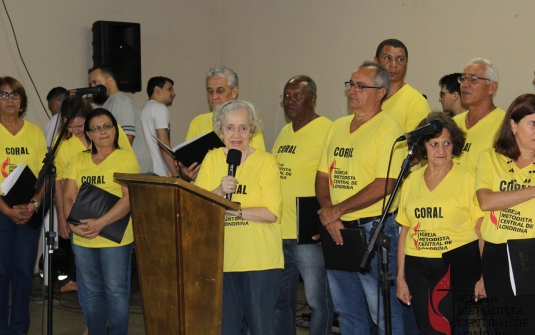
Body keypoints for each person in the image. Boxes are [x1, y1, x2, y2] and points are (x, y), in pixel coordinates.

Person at [316, 61, 405, 334]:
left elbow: (387, 183)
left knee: (383, 311)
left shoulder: (389, 129)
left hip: (374, 229)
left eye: (361, 86)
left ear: (380, 93)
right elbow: (322, 177)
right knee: (347, 309)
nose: (352, 90)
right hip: (338, 229)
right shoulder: (338, 126)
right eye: (351, 84)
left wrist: (337, 210)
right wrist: (330, 214)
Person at [195, 100, 282, 335]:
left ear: (252, 130)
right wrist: (219, 192)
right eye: (230, 127)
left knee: (262, 329)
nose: (236, 134)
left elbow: (271, 213)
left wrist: (231, 209)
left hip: (260, 262)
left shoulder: (266, 162)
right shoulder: (212, 160)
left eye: (243, 127)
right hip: (223, 260)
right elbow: (197, 207)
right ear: (220, 130)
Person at [396, 112, 483, 333]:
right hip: (417, 266)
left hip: (456, 264)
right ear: (423, 146)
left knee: (439, 327)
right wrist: (400, 277)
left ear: (455, 145)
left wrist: (484, 275)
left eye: (447, 143)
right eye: (434, 144)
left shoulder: (469, 178)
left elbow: (481, 229)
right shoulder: (411, 180)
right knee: (427, 329)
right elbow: (405, 230)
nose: (441, 150)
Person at [63, 108, 140, 335]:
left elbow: (128, 200)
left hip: (114, 240)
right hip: (83, 238)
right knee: (92, 292)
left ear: (115, 130)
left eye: (107, 126)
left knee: (116, 292)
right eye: (96, 128)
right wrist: (72, 225)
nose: (102, 132)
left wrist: (100, 223)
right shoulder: (78, 160)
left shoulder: (126, 158)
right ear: (88, 134)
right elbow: (68, 196)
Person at [272, 75, 334, 335]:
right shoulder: (285, 132)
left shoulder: (329, 130)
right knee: (280, 301)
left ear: (314, 99)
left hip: (308, 232)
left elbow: (335, 182)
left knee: (318, 300)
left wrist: (327, 222)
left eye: (297, 95)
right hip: (279, 231)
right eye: (287, 96)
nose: (291, 101)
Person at [475, 94, 535, 334]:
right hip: (496, 254)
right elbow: (486, 201)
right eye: (533, 123)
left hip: (531, 251)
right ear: (513, 125)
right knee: (503, 326)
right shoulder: (490, 158)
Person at [0, 76, 47, 335]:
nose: (10, 100)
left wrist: (34, 204)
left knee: (23, 273)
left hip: (30, 210)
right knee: (0, 272)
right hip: (1, 212)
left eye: (14, 95)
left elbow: (45, 174)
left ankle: (19, 329)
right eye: (4, 95)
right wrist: (6, 209)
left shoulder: (35, 132)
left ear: (22, 101)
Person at [183, 66, 266, 181]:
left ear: (234, 92)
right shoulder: (197, 122)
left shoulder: (247, 124)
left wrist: (218, 159)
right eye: (210, 91)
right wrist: (185, 174)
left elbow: (257, 167)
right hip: (199, 192)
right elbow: (187, 165)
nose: (214, 97)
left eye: (220, 91)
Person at [88, 65, 152, 173]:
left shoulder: (121, 102)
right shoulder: (109, 103)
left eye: (95, 82)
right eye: (91, 84)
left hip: (134, 170)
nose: (93, 88)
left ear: (110, 81)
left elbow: (127, 138)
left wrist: (110, 164)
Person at [453, 58, 505, 170]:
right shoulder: (454, 123)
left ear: (492, 87)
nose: (465, 84)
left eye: (473, 79)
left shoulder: (504, 124)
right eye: (463, 79)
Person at [374, 39, 430, 133]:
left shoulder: (416, 102)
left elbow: (413, 145)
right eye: (387, 58)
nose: (394, 65)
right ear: (376, 61)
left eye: (400, 59)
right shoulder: (367, 96)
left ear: (406, 64)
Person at [139, 76, 179, 177]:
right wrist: (176, 175)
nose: (174, 94)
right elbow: (163, 144)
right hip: (158, 173)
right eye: (170, 89)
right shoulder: (159, 108)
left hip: (142, 172)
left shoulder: (140, 111)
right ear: (157, 90)